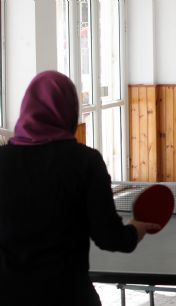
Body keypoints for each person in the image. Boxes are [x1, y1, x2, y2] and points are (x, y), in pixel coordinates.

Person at [0, 71, 160, 306]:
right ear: (70, 112)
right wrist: (135, 231)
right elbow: (109, 238)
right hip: (68, 295)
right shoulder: (85, 162)